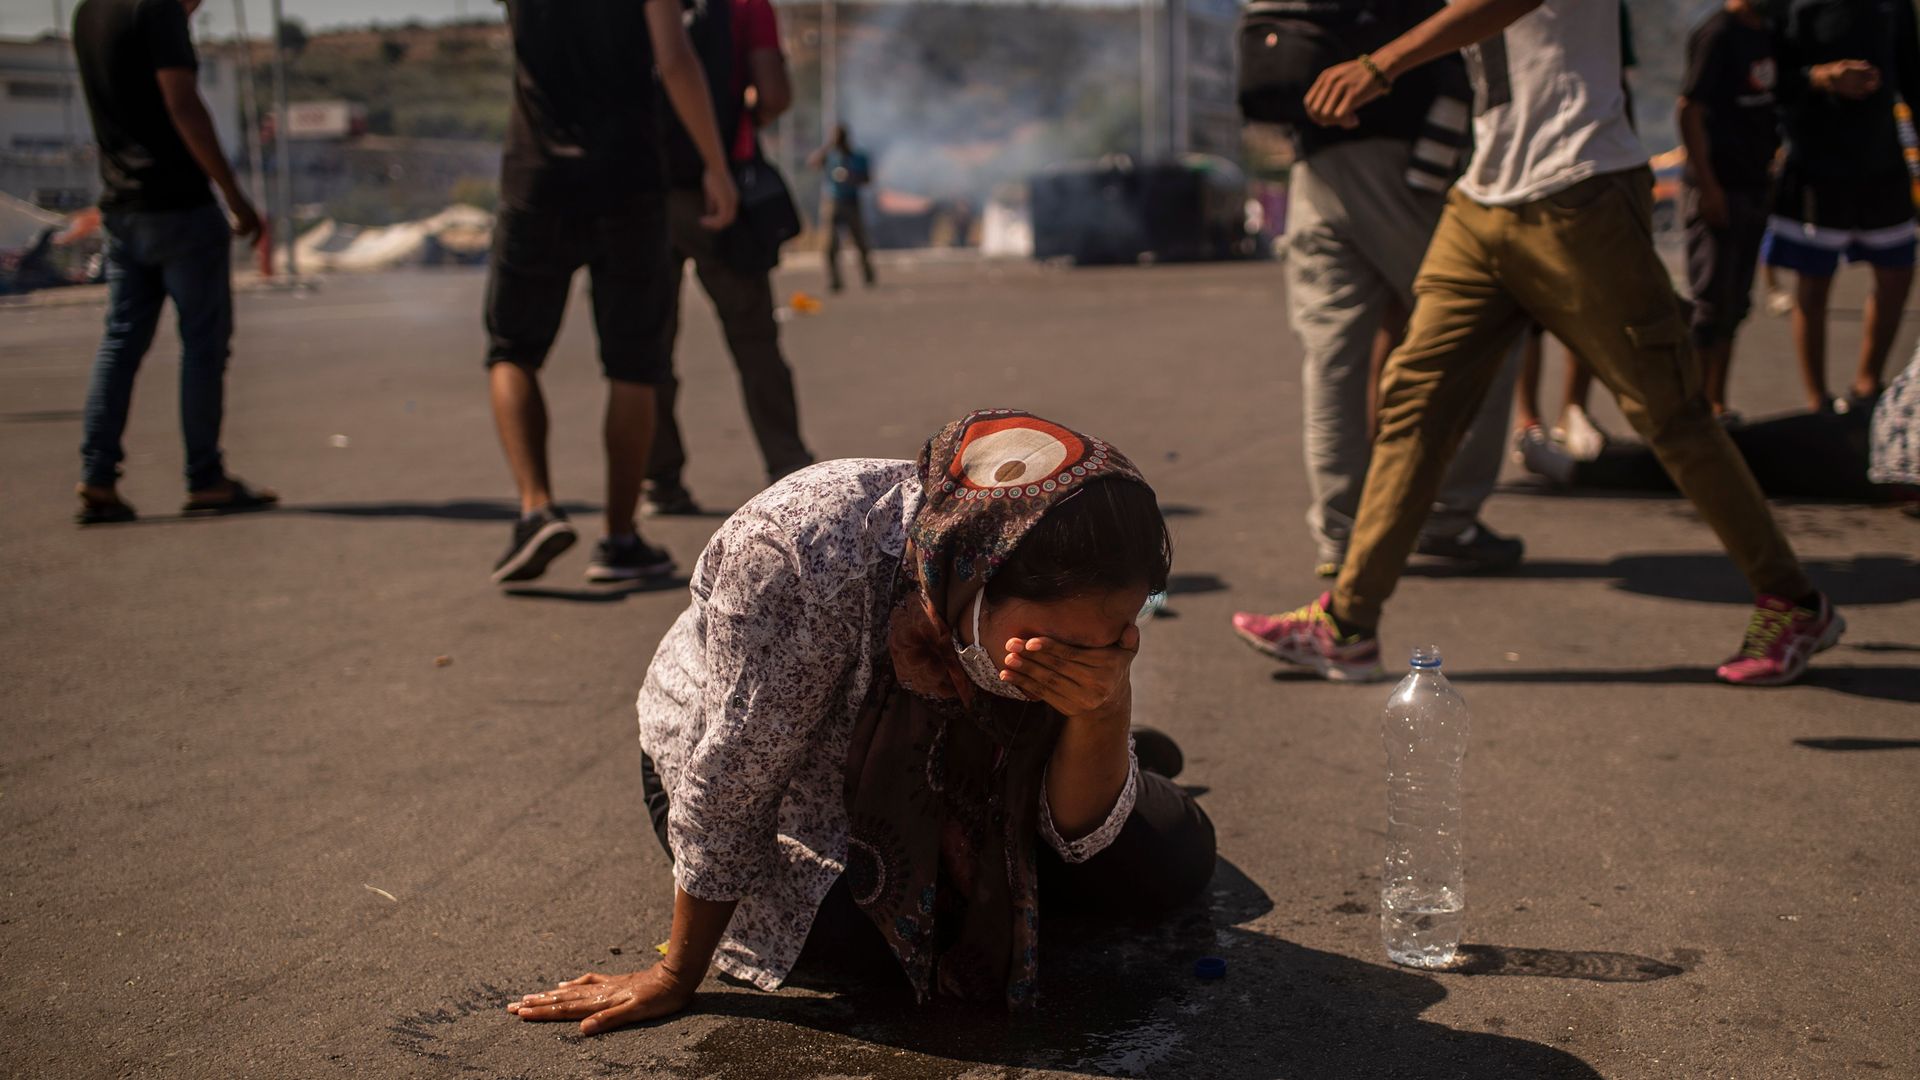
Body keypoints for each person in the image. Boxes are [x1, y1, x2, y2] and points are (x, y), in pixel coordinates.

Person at [505, 411, 1215, 1031]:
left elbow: (1084, 834)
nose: (1089, 657)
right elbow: (730, 781)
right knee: (881, 942)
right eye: (1058, 648)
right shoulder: (801, 553)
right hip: (765, 777)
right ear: (972, 579)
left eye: (1120, 632)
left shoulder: (1070, 586)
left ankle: (1125, 762)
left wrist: (1098, 706)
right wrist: (675, 975)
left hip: (977, 765)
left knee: (1172, 864)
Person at [1232, 0, 1845, 687]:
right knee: (1415, 400)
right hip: (1484, 196)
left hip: (1579, 190)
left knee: (1670, 414)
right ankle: (1347, 625)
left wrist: (1382, 65)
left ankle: (1793, 602)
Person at [485, 0, 739, 585]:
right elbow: (675, 59)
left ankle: (535, 508)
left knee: (513, 348)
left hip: (536, 177)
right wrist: (715, 165)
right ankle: (620, 538)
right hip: (627, 178)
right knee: (634, 363)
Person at [1269, 0, 1524, 579]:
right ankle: (1446, 519)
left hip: (1314, 161)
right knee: (1491, 328)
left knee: (1335, 359)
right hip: (1407, 161)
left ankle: (1341, 537)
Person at [70, 0, 274, 526]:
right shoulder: (155, 10)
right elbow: (183, 104)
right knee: (203, 347)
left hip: (122, 206)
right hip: (178, 207)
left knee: (120, 342)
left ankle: (98, 475)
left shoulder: (90, 11)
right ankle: (205, 477)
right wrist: (234, 196)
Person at [644, 0, 815, 518]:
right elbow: (775, 95)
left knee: (648, 344)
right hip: (722, 191)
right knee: (754, 340)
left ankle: (661, 480)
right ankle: (787, 467)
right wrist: (740, 119)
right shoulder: (746, 5)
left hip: (645, 192)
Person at [1764, 0, 1920, 415]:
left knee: (1897, 274)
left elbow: (1912, 74)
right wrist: (1822, 77)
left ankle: (1868, 385)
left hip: (1882, 159)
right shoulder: (1790, 8)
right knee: (1813, 283)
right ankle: (1818, 400)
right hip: (1817, 164)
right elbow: (1768, 78)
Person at [1678, 0, 1780, 421]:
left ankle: (1715, 402)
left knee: (1735, 303)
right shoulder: (1717, 34)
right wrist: (1707, 185)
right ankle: (1693, 406)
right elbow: (1689, 110)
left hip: (1753, 183)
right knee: (1710, 303)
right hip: (1717, 184)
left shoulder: (1768, 29)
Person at [810, 125, 876, 293]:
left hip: (851, 201)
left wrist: (852, 177)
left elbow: (867, 178)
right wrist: (826, 147)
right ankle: (835, 280)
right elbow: (813, 163)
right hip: (832, 201)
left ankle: (868, 275)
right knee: (830, 244)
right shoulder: (830, 156)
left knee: (859, 241)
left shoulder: (858, 157)